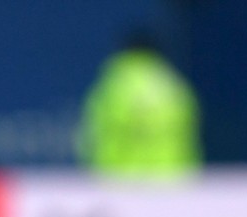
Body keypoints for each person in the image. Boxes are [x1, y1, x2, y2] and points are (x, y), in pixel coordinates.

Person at [76, 29, 201, 180]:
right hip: (172, 180)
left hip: (120, 180)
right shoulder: (173, 84)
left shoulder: (115, 83)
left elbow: (92, 132)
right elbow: (190, 126)